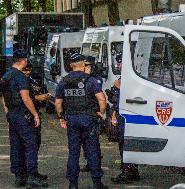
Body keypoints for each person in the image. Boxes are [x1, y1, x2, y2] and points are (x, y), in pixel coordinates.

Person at [54, 53, 108, 189]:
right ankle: (97, 183)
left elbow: (58, 103)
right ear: (83, 64)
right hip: (88, 119)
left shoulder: (63, 81)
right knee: (92, 151)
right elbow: (102, 99)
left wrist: (61, 118)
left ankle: (73, 184)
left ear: (71, 66)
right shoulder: (90, 80)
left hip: (72, 119)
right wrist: (101, 113)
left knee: (73, 152)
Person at [1, 49, 48, 188]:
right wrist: (35, 114)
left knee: (16, 145)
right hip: (23, 115)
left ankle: (19, 176)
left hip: (12, 114)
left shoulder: (6, 75)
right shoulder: (21, 77)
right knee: (30, 145)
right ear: (24, 61)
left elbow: (4, 96)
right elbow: (25, 97)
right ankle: (32, 177)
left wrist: (7, 111)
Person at [110, 77, 140, 184]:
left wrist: (119, 87)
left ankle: (126, 173)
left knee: (124, 143)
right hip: (130, 113)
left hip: (125, 114)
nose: (119, 64)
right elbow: (115, 100)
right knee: (131, 143)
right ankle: (133, 171)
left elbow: (118, 100)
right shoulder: (127, 76)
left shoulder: (126, 78)